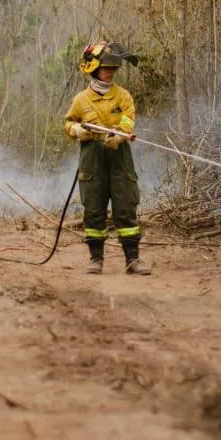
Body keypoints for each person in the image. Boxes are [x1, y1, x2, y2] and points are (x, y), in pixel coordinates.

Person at [63, 40, 148, 275]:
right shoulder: (81, 100)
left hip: (119, 156)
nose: (110, 73)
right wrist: (78, 131)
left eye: (113, 70)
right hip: (92, 158)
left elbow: (128, 120)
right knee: (93, 208)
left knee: (125, 207)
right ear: (93, 68)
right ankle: (95, 259)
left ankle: (133, 260)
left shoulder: (123, 96)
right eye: (106, 69)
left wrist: (119, 136)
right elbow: (69, 124)